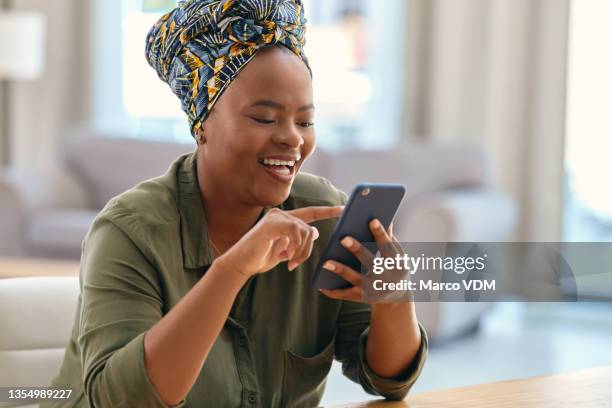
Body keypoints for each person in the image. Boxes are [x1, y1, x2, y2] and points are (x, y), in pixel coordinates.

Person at [44, 0, 427, 406]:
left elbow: (388, 382)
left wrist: (396, 300)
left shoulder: (325, 218)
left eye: (305, 121)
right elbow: (120, 400)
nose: (293, 139)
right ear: (202, 123)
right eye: (264, 118)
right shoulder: (129, 232)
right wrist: (233, 269)